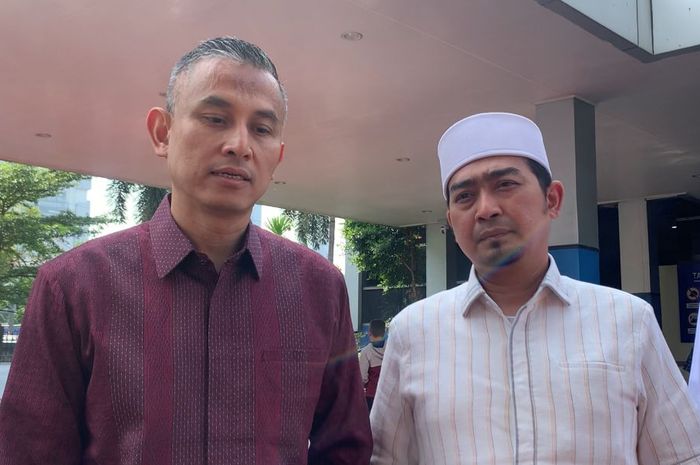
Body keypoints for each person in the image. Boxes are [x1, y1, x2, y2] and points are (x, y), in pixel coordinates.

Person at [0, 37, 371, 465]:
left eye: (262, 129)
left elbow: (345, 448)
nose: (240, 145)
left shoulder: (319, 289)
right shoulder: (72, 287)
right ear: (163, 132)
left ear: (278, 155)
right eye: (215, 118)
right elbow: (30, 452)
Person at [370, 112, 700, 464]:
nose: (485, 209)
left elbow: (681, 455)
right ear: (451, 221)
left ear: (552, 199)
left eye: (505, 185)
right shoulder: (413, 333)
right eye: (465, 196)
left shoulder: (629, 321)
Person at [358, 319, 386, 411]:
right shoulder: (391, 349)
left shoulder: (366, 352)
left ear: (369, 333)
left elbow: (363, 377)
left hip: (372, 396)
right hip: (389, 394)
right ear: (385, 332)